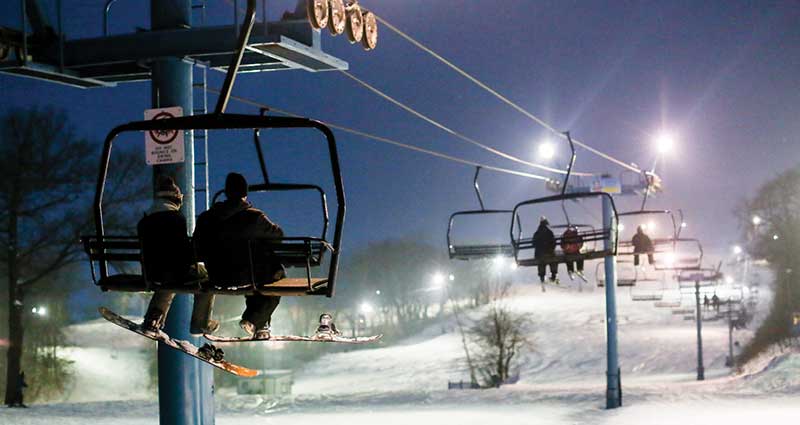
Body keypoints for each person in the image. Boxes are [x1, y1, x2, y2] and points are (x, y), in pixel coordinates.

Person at [195, 173, 285, 339]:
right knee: (275, 275)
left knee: (256, 272)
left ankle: (257, 321)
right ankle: (255, 320)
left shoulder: (206, 218)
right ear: (245, 193)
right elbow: (278, 236)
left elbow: (197, 248)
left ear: (226, 193)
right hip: (247, 277)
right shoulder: (254, 217)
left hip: (216, 277)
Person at [139, 175, 217, 335]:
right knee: (208, 279)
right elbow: (182, 253)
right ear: (175, 199)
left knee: (167, 281)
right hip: (175, 272)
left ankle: (154, 318)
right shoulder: (175, 219)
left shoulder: (145, 221)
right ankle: (200, 323)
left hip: (152, 273)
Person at [532, 217, 558, 284]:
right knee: (553, 261)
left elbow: (534, 243)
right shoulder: (549, 232)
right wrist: (551, 249)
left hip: (539, 254)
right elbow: (554, 243)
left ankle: (542, 277)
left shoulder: (537, 233)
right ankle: (553, 275)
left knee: (541, 263)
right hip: (549, 253)